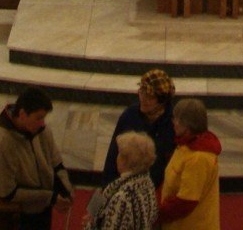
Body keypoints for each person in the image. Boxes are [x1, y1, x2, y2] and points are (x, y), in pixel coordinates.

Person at [0, 87, 70, 228]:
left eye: (44, 117)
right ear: (23, 114)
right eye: (38, 118)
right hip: (18, 216)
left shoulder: (42, 131)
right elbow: (7, 193)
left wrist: (65, 190)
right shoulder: (0, 144)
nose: (43, 123)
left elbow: (56, 163)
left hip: (42, 210)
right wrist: (50, 197)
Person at [156, 98, 220, 230]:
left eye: (176, 119)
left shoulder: (199, 157)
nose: (173, 123)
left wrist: (156, 215)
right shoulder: (184, 146)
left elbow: (186, 202)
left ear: (187, 124)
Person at [111, 69, 177, 189]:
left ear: (162, 101)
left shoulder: (173, 123)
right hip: (125, 186)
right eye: (142, 92)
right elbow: (113, 153)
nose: (143, 99)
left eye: (150, 97)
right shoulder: (130, 115)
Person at [83, 132, 158, 230]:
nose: (116, 157)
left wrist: (89, 225)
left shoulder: (122, 198)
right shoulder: (148, 185)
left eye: (119, 153)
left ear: (126, 160)